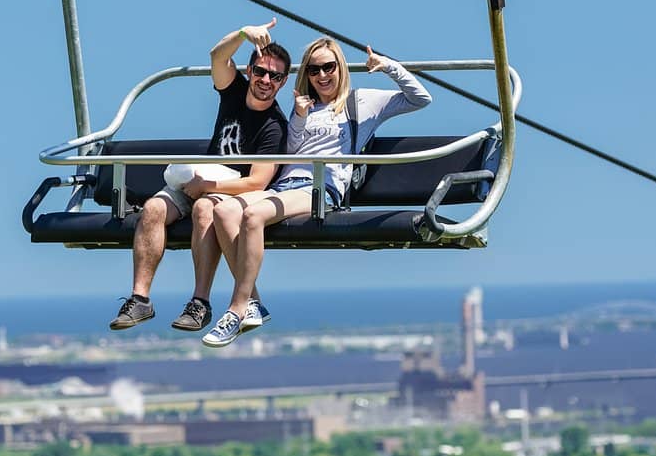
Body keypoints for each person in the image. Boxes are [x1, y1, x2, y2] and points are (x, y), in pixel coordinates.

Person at [205, 38, 432, 347]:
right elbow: (293, 152)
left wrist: (388, 66)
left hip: (319, 189)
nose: (322, 76)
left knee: (253, 215)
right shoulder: (305, 106)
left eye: (329, 67)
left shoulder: (361, 102)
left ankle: (237, 308)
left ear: (340, 67)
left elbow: (421, 99)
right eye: (314, 70)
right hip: (285, 186)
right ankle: (253, 302)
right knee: (224, 211)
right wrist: (298, 117)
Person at [109, 19, 290, 333]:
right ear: (249, 72)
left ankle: (200, 301)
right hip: (202, 177)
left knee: (206, 208)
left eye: (274, 76)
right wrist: (244, 33)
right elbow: (218, 57)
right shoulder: (233, 92)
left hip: (233, 191)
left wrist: (208, 186)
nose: (265, 80)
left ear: (283, 82)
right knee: (153, 209)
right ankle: (140, 298)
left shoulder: (274, 126)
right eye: (260, 72)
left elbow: (257, 182)